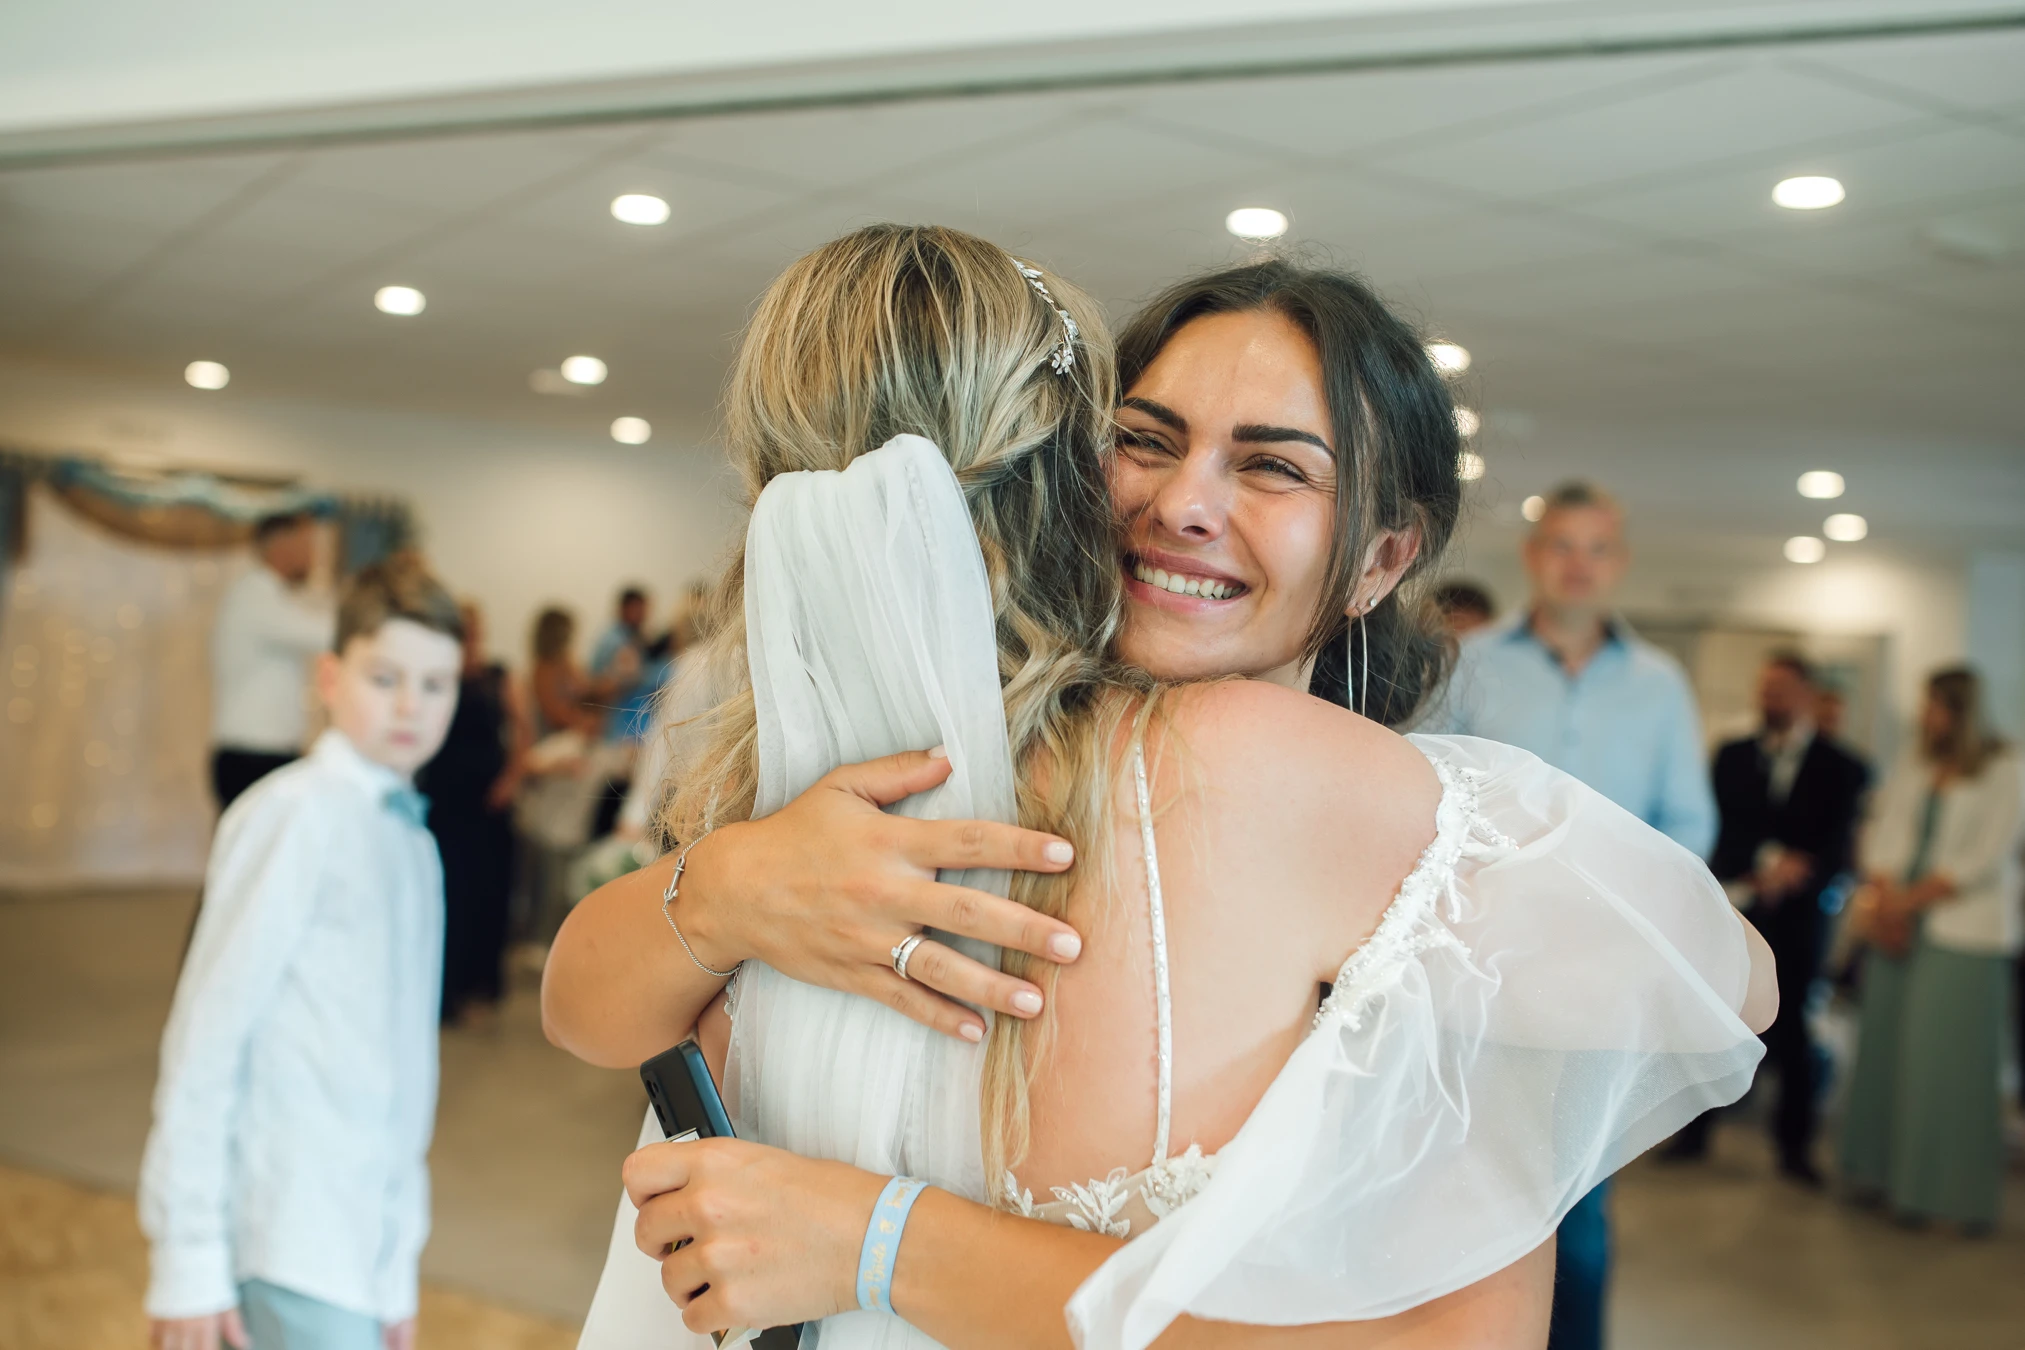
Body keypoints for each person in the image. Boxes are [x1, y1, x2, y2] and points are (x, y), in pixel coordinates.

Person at [550, 234, 1773, 1350]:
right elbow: (589, 1012)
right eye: (1146, 439)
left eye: (1272, 468)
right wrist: (721, 888)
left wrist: (882, 1246)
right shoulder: (941, 746)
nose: (1184, 505)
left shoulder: (1378, 827)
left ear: (1386, 558)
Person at [140, 557, 464, 1350]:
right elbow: (205, 1040)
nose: (409, 707)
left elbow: (404, 1076)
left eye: (435, 684)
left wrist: (394, 1274)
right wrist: (188, 1259)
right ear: (328, 676)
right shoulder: (290, 816)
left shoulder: (412, 840)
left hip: (359, 1250)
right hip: (287, 1233)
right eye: (384, 677)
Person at [1426, 480, 1717, 1350]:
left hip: (1598, 980)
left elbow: (1689, 822)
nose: (1576, 565)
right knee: (1462, 1193)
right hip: (1480, 969)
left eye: (1595, 548)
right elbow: (1428, 791)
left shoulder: (1660, 684)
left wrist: (1629, 927)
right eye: (1561, 545)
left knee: (1578, 1213)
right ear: (1533, 555)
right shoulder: (1472, 658)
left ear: (1618, 563)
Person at [1666, 653, 1869, 1182]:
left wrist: (1802, 870)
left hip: (1802, 913)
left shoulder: (1843, 766)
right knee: (1715, 1016)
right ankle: (1694, 1133)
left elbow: (1840, 841)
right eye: (1765, 687)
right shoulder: (1731, 756)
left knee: (1796, 1023)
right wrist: (1761, 864)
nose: (1769, 697)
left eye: (1780, 687)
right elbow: (1715, 824)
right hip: (1737, 903)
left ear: (1806, 692)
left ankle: (1794, 1148)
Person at [1840, 666, 2023, 1232]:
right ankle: (1884, 1178)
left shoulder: (2005, 767)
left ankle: (1950, 1195)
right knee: (1887, 1055)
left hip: (1962, 929)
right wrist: (1884, 897)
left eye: (1937, 707)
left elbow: (1986, 855)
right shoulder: (1916, 762)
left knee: (1948, 1067)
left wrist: (1906, 904)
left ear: (1961, 710)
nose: (1927, 718)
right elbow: (1884, 829)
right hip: (1899, 919)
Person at [419, 600, 530, 1029]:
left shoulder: (499, 677)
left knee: (486, 896)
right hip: (444, 800)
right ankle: (444, 992)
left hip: (488, 803)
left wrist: (511, 779)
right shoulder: (435, 675)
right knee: (447, 896)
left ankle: (477, 988)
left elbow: (522, 733)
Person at [209, 510, 333, 810]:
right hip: (253, 758)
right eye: (307, 545)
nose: (314, 556)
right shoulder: (256, 597)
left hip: (260, 756)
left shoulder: (267, 596)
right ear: (281, 546)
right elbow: (327, 634)